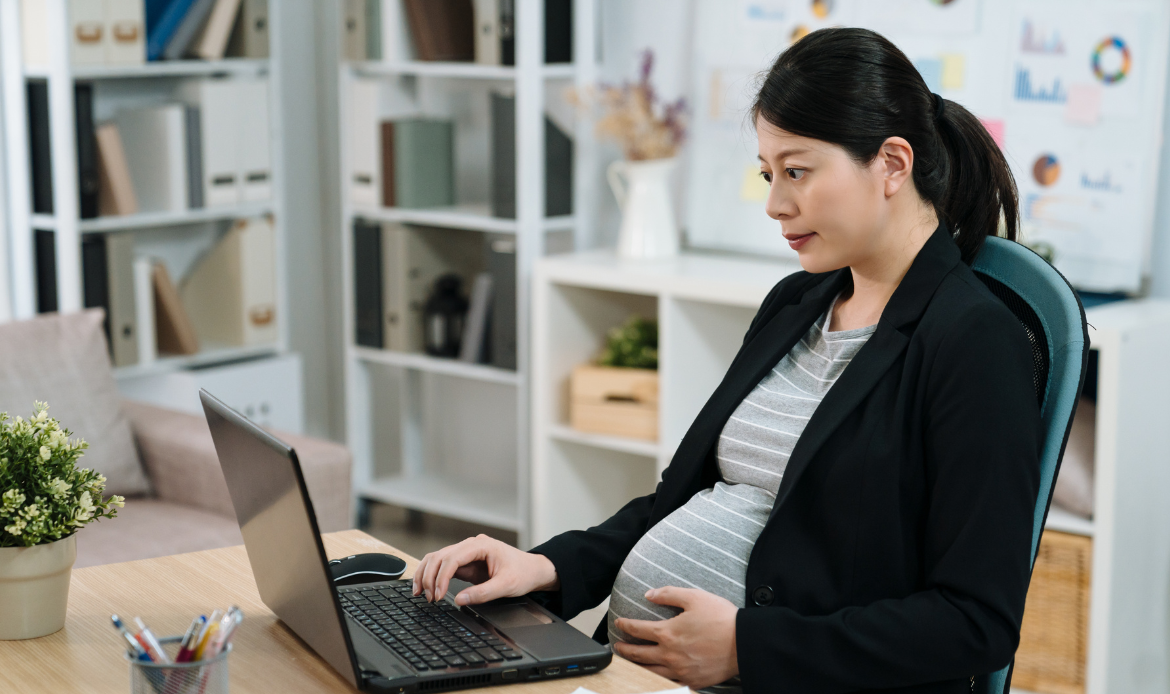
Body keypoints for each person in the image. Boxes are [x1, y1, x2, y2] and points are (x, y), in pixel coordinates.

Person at [410, 27, 1041, 693]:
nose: (775, 205)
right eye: (769, 175)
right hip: (633, 674)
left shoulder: (974, 340)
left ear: (891, 163)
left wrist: (749, 648)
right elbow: (675, 501)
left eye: (797, 171)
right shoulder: (797, 304)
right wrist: (547, 568)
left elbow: (975, 622)